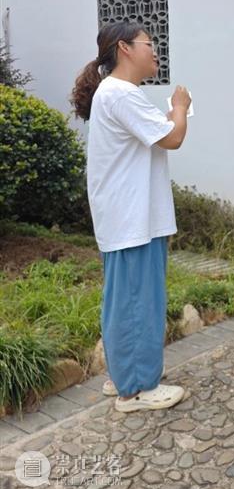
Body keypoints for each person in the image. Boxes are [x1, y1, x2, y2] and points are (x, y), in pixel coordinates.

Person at [71, 22, 191, 412]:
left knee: (127, 299)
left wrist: (175, 114)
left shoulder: (120, 94)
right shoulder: (120, 94)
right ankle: (137, 389)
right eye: (149, 44)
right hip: (132, 220)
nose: (155, 51)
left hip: (131, 218)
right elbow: (172, 137)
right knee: (139, 302)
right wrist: (179, 107)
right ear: (124, 48)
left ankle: (125, 376)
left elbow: (160, 136)